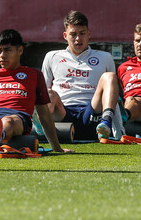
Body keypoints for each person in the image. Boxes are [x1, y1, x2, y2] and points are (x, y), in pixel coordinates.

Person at [41, 10, 120, 140]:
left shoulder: (105, 57)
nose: (78, 38)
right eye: (73, 34)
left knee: (110, 77)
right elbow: (42, 94)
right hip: (62, 114)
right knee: (48, 94)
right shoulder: (52, 56)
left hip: (92, 112)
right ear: (65, 35)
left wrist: (119, 132)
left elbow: (113, 97)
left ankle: (106, 123)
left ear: (89, 34)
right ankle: (39, 129)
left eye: (82, 33)